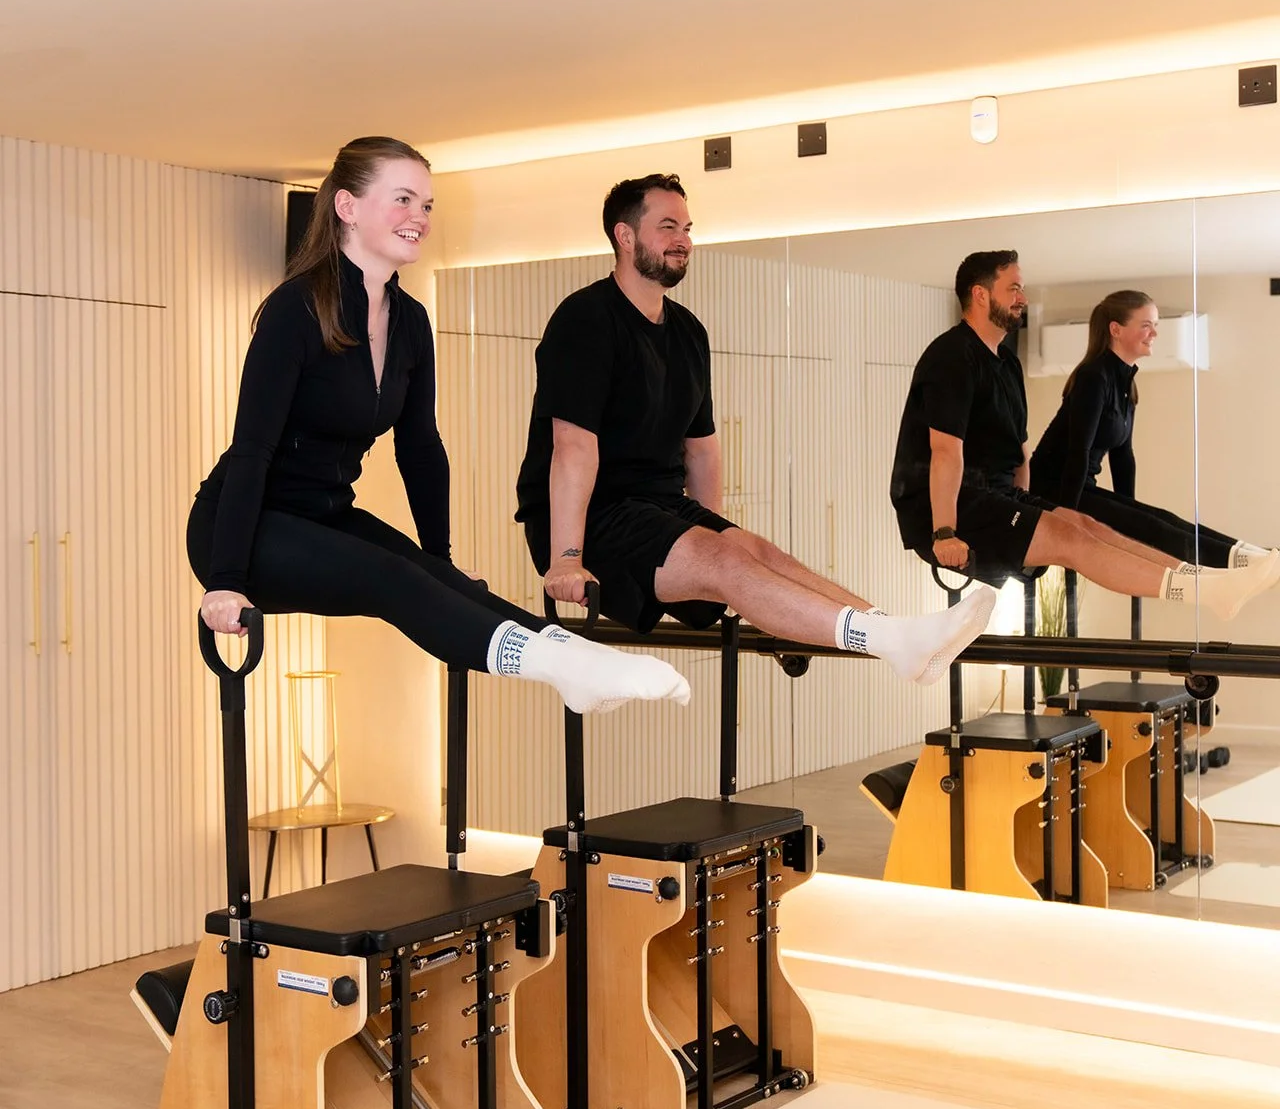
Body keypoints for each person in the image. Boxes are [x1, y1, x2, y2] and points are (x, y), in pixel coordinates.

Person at [189, 137, 690, 716]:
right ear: (348, 208)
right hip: (245, 529)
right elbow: (251, 449)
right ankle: (565, 665)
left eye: (426, 205)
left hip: (324, 517)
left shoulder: (409, 321)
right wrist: (224, 580)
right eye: (403, 200)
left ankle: (572, 655)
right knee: (388, 577)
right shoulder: (294, 311)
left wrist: (440, 557)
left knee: (440, 580)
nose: (419, 219)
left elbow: (420, 447)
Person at [514, 174, 997, 688]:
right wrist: (566, 559)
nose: (683, 240)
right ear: (625, 236)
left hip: (658, 505)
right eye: (668, 226)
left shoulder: (688, 332)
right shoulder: (585, 319)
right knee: (728, 557)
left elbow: (701, 451)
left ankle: (898, 635)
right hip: (593, 518)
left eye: (688, 228)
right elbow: (572, 448)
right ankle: (895, 641)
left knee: (760, 553)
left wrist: (715, 543)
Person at [889, 251, 1279, 622]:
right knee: (1071, 538)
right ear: (979, 293)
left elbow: (1020, 450)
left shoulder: (1006, 362)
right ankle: (1208, 590)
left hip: (997, 492)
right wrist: (944, 533)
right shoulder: (951, 356)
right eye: (1013, 288)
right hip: (951, 505)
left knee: (1085, 526)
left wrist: (1029, 501)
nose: (1023, 298)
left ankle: (1209, 583)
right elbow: (944, 452)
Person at [1029, 289, 1273, 569]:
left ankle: (1258, 557)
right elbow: (1078, 450)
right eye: (1146, 325)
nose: (1154, 334)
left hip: (1080, 486)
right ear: (1116, 330)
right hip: (1053, 490)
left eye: (1155, 326)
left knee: (1162, 519)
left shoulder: (1126, 383)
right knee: (1156, 528)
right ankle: (1247, 564)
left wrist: (1130, 510)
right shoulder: (1094, 377)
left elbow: (1123, 457)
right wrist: (1066, 517)